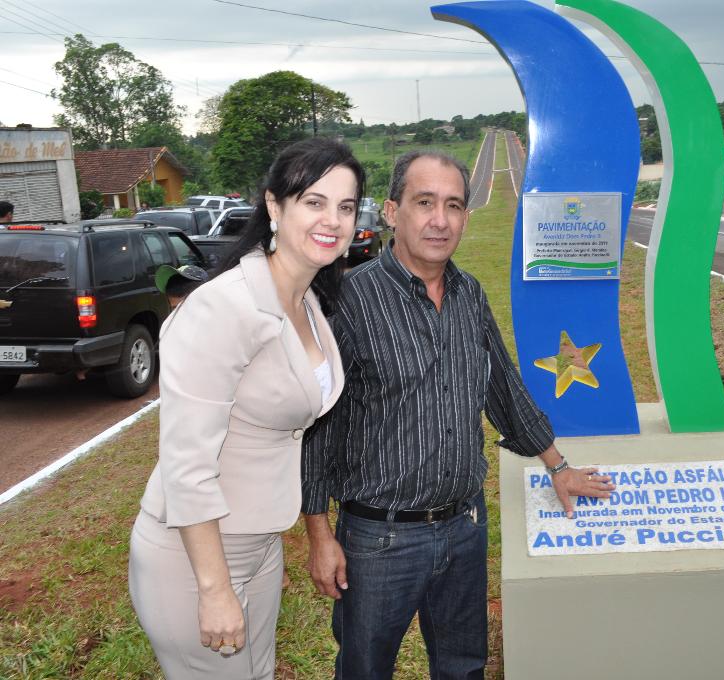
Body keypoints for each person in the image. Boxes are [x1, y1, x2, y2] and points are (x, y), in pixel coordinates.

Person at [301, 150, 614, 679]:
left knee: (464, 667)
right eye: (424, 202)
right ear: (393, 211)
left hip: (465, 528)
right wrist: (318, 533)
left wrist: (558, 466)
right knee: (363, 668)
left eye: (453, 205)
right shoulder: (351, 300)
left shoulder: (470, 294)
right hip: (381, 540)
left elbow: (504, 387)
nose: (439, 220)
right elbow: (317, 423)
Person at [128, 137, 363, 679]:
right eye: (314, 201)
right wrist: (214, 590)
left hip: (258, 545)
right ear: (274, 207)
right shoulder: (224, 306)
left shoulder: (305, 300)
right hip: (195, 559)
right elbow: (187, 465)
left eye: (346, 206)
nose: (333, 219)